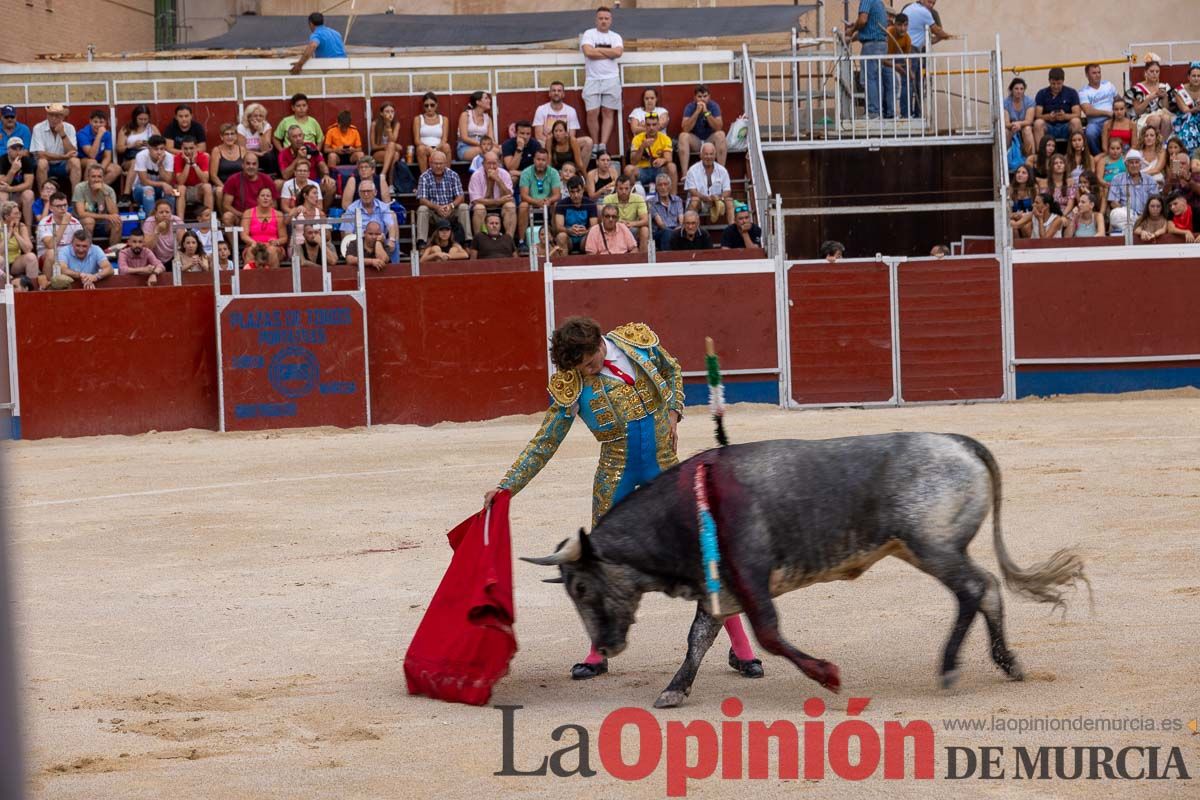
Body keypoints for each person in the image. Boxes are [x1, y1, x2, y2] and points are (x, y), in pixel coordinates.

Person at [485, 317, 763, 680]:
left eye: (591, 361)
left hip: (664, 469)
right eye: (582, 368)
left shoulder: (635, 343)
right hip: (615, 474)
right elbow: (544, 442)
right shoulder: (572, 383)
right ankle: (597, 652)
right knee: (601, 563)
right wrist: (508, 486)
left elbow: (672, 369)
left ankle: (741, 648)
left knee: (704, 552)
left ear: (601, 342)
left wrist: (675, 414)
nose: (590, 370)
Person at [580, 6, 624, 155]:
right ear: (596, 19)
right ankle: (595, 143)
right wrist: (608, 53)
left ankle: (603, 145)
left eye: (606, 18)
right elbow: (588, 52)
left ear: (610, 20)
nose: (603, 21)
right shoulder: (589, 34)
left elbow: (618, 52)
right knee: (592, 112)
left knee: (607, 111)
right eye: (601, 18)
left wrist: (597, 50)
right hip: (592, 79)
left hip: (611, 79)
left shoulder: (616, 36)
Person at [847, 0, 892, 120]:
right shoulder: (879, 3)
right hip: (880, 44)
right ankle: (878, 111)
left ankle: (873, 112)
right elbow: (868, 28)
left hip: (872, 46)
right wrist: (852, 35)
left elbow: (862, 20)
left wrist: (851, 30)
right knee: (876, 79)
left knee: (869, 79)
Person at [416, 150, 469, 250]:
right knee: (422, 209)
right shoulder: (424, 177)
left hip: (451, 210)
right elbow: (422, 199)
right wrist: (437, 207)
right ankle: (421, 242)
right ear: (430, 163)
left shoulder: (453, 175)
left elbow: (460, 196)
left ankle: (467, 241)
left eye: (441, 163)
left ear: (445, 163)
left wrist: (451, 206)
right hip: (433, 212)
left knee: (464, 207)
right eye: (436, 163)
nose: (438, 166)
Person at [533, 81, 594, 157]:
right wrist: (551, 143)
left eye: (559, 91)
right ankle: (547, 167)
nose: (556, 93)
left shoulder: (571, 110)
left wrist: (561, 143)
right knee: (538, 143)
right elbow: (538, 135)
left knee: (588, 141)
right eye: (553, 90)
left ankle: (579, 168)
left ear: (563, 94)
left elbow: (572, 136)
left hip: (566, 144)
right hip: (547, 143)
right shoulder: (541, 109)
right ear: (549, 93)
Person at [518, 148, 562, 251]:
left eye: (543, 160)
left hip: (548, 203)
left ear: (547, 161)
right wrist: (537, 202)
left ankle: (554, 239)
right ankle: (521, 241)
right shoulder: (526, 172)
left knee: (556, 204)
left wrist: (549, 201)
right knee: (522, 205)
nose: (541, 162)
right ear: (534, 159)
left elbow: (557, 194)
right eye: (538, 159)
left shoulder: (554, 172)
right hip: (531, 203)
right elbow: (523, 195)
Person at [30, 103, 80, 192]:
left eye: (57, 116)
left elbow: (73, 153)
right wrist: (64, 157)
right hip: (47, 164)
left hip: (63, 165)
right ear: (47, 115)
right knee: (42, 163)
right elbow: (40, 154)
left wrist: (62, 134)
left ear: (63, 117)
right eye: (51, 115)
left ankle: (76, 200)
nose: (53, 118)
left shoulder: (69, 128)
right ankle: (44, 198)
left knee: (75, 162)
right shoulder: (38, 128)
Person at [341, 181, 399, 256]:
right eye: (363, 192)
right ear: (359, 194)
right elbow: (348, 234)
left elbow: (390, 226)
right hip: (360, 242)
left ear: (375, 192)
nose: (366, 194)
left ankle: (394, 266)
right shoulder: (351, 209)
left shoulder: (383, 207)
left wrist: (392, 240)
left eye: (369, 191)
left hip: (379, 240)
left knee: (392, 241)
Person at [1126, 54, 1174, 144]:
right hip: (1143, 117)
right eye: (1152, 71)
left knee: (1167, 118)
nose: (1154, 74)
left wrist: (1164, 97)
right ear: (1146, 73)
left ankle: (1162, 145)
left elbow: (1166, 109)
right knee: (1155, 119)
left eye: (1157, 71)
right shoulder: (1137, 89)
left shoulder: (1164, 87)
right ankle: (1151, 144)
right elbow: (1138, 111)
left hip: (1162, 114)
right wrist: (1149, 98)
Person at [679, 84, 726, 173]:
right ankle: (685, 175)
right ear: (695, 98)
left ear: (709, 97)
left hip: (710, 140)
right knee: (683, 136)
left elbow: (719, 127)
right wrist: (697, 112)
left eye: (705, 96)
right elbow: (685, 128)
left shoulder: (714, 106)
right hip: (695, 141)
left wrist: (706, 113)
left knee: (721, 135)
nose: (702, 99)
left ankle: (721, 173)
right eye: (699, 96)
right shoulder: (690, 107)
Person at [221, 153, 277, 228]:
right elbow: (226, 205)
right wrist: (242, 215)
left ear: (258, 166)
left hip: (262, 216)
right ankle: (233, 240)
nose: (251, 166)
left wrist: (260, 216)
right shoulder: (233, 179)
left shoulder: (267, 180)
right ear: (242, 165)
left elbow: (274, 204)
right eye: (248, 163)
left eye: (254, 164)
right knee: (227, 217)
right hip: (240, 216)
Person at [72, 163, 122, 247]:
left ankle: (113, 252)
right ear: (88, 177)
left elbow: (114, 213)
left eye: (99, 177)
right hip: (82, 223)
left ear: (103, 178)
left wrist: (105, 193)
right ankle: (87, 250)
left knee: (117, 222)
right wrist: (106, 216)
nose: (96, 179)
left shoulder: (109, 190)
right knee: (89, 221)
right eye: (93, 176)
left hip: (102, 223)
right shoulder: (80, 188)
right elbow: (81, 213)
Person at [468, 151, 516, 238]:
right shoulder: (476, 175)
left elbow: (509, 196)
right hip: (484, 206)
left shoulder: (504, 174)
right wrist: (496, 200)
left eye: (494, 163)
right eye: (488, 163)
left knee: (510, 206)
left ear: (498, 163)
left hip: (501, 206)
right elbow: (476, 200)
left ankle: (509, 241)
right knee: (479, 208)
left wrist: (498, 180)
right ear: (483, 164)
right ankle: (479, 241)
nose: (491, 167)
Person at [684, 142, 734, 225]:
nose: (709, 157)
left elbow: (727, 191)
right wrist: (705, 198)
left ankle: (732, 229)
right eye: (706, 154)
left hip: (717, 201)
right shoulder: (692, 170)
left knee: (729, 201)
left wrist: (718, 197)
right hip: (700, 201)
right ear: (700, 155)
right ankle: (692, 229)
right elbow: (692, 191)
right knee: (694, 200)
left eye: (711, 154)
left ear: (715, 155)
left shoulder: (722, 170)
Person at [1107, 148, 1156, 230]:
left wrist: (1143, 216)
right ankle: (1135, 226)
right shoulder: (1117, 179)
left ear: (1140, 165)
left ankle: (1137, 227)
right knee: (1115, 213)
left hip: (1145, 217)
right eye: (1131, 163)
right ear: (1126, 165)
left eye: (1137, 162)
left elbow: (1155, 201)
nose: (1134, 165)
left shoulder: (1149, 179)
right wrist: (1130, 215)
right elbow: (1113, 202)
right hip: (1125, 217)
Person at [1033, 68, 1082, 147]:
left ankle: (1076, 152)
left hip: (1066, 125)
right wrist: (1048, 117)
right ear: (1049, 81)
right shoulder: (1042, 93)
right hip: (1049, 126)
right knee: (1038, 123)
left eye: (1059, 84)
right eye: (1053, 83)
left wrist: (1065, 116)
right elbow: (1037, 115)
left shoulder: (1071, 92)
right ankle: (1041, 154)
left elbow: (1077, 114)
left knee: (1076, 121)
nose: (1056, 86)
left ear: (1063, 81)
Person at [35, 191, 82, 274]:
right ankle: (49, 282)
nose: (63, 208)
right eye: (59, 206)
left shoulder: (75, 222)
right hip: (47, 259)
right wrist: (64, 224)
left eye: (65, 205)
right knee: (52, 252)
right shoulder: (44, 223)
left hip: (68, 256)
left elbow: (81, 242)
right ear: (51, 208)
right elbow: (51, 245)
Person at [627, 113, 675, 193]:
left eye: (654, 124)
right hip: (642, 171)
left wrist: (663, 160)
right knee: (628, 169)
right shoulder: (637, 139)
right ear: (645, 126)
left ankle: (674, 199)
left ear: (658, 125)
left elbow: (669, 158)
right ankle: (632, 199)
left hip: (658, 170)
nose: (651, 128)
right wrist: (642, 147)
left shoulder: (665, 138)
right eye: (648, 125)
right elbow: (633, 162)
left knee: (672, 167)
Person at [601, 174, 649, 252]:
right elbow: (603, 220)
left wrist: (631, 223)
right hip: (614, 228)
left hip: (632, 228)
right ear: (616, 188)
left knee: (645, 230)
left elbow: (646, 220)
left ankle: (643, 259)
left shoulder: (638, 198)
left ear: (631, 188)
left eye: (626, 188)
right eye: (621, 188)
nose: (624, 191)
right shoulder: (608, 199)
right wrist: (619, 224)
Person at [132, 134, 176, 219]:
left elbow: (168, 180)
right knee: (149, 190)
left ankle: (169, 222)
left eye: (162, 149)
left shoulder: (169, 157)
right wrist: (163, 184)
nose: (159, 152)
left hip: (159, 190)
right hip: (140, 190)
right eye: (156, 149)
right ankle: (151, 223)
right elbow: (144, 181)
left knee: (171, 192)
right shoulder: (141, 156)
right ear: (149, 148)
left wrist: (160, 166)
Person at [1078, 64, 1118, 156]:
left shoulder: (1108, 85)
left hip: (1113, 120)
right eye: (1094, 73)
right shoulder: (1083, 92)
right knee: (1090, 132)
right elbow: (1088, 111)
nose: (1097, 75)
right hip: (1095, 124)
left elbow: (1118, 99)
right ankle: (1100, 156)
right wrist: (1107, 113)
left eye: (1099, 72)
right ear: (1087, 75)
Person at [240, 186, 286, 268]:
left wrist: (276, 242)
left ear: (272, 200)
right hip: (254, 245)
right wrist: (254, 243)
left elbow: (284, 237)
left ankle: (274, 279)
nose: (265, 198)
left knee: (271, 251)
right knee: (251, 250)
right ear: (257, 199)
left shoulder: (278, 214)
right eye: (263, 196)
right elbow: (244, 235)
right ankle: (248, 280)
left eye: (268, 196)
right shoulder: (248, 213)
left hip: (273, 247)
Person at [76, 109, 122, 187]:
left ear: (105, 123)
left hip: (99, 161)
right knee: (92, 162)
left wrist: (101, 170)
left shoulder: (107, 134)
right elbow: (92, 155)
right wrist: (99, 135)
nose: (98, 125)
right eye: (95, 122)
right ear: (90, 121)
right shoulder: (82, 133)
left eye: (101, 122)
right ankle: (86, 192)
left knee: (116, 169)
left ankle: (97, 190)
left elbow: (107, 157)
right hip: (83, 160)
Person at [1, 201, 41, 290]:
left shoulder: (21, 226)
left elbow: (28, 249)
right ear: (7, 216)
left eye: (19, 213)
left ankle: (33, 291)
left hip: (14, 262)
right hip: (1, 262)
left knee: (31, 257)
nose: (19, 216)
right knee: (1, 259)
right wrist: (9, 232)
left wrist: (15, 233)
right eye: (15, 214)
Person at [554, 176, 597, 255]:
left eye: (578, 191)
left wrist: (585, 231)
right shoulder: (561, 204)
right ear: (568, 192)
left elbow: (594, 227)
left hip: (584, 238)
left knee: (592, 236)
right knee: (561, 236)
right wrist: (569, 230)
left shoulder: (590, 204)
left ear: (583, 190)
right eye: (572, 192)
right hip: (568, 238)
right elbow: (558, 227)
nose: (576, 195)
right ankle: (563, 265)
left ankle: (591, 265)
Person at [172, 136, 213, 220]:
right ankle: (180, 222)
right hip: (179, 190)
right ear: (181, 148)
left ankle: (209, 220)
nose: (188, 151)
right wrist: (187, 163)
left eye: (191, 148)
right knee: (180, 188)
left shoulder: (203, 157)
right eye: (185, 149)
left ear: (196, 148)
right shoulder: (177, 157)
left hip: (197, 188)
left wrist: (194, 164)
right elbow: (180, 182)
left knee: (208, 187)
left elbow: (205, 180)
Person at [210, 124, 246, 211]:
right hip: (222, 184)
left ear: (236, 136)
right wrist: (226, 188)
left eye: (232, 134)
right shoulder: (216, 150)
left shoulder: (242, 150)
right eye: (226, 134)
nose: (230, 137)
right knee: (219, 191)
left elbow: (246, 171)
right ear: (221, 137)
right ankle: (223, 218)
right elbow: (213, 175)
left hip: (239, 183)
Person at [413, 92, 452, 174]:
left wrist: (436, 149)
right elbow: (417, 140)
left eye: (432, 105)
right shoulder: (418, 119)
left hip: (439, 146)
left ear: (436, 105)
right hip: (425, 147)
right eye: (426, 105)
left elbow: (444, 139)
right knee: (420, 149)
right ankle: (424, 177)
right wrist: (429, 148)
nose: (429, 108)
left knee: (446, 146)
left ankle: (447, 176)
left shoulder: (444, 119)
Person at [0, 139, 35, 228]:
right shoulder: (2, 160)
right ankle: (3, 230)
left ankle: (28, 231)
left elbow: (29, 184)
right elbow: (2, 184)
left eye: (20, 148)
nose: (18, 151)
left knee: (29, 194)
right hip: (6, 193)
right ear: (8, 150)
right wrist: (13, 170)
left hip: (19, 194)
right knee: (2, 195)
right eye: (15, 148)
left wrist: (11, 189)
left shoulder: (26, 160)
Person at [646, 172, 682, 252]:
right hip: (660, 232)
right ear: (656, 187)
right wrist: (673, 232)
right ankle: (667, 259)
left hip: (676, 229)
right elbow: (661, 224)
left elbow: (681, 220)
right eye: (660, 185)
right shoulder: (651, 202)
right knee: (667, 233)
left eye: (665, 184)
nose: (663, 187)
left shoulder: (677, 200)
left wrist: (679, 229)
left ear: (670, 186)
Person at [237, 103, 277, 175]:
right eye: (255, 116)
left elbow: (266, 149)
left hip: (262, 154)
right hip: (246, 154)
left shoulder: (266, 126)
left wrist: (260, 131)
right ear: (248, 117)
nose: (258, 118)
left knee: (269, 155)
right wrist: (256, 153)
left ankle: (271, 176)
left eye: (261, 116)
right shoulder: (242, 127)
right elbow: (241, 149)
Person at [142, 198, 183, 266]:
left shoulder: (177, 221)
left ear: (171, 213)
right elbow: (147, 247)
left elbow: (183, 243)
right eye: (161, 212)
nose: (164, 215)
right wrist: (157, 230)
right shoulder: (149, 222)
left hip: (173, 257)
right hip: (154, 258)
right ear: (156, 214)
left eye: (167, 212)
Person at [456, 91, 494, 164]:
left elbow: (491, 139)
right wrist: (482, 145)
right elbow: (464, 137)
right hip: (465, 147)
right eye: (486, 98)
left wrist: (497, 146)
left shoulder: (488, 118)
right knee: (486, 152)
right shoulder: (465, 115)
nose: (489, 100)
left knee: (499, 150)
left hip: (485, 146)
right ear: (478, 102)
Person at [1003, 78, 1037, 157]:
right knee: (1005, 132)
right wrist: (1014, 125)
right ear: (1011, 90)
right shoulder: (1005, 103)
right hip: (1012, 128)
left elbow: (1029, 121)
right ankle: (1006, 158)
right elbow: (1006, 123)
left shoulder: (1029, 101)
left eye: (1021, 89)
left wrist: (1019, 124)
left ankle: (1031, 158)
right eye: (1016, 89)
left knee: (1027, 129)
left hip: (1025, 126)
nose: (1019, 91)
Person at [1171, 62, 1200, 152]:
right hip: (1186, 118)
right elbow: (1185, 109)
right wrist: (1196, 109)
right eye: (1194, 76)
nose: (1196, 78)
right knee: (1189, 130)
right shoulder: (1179, 90)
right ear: (1188, 77)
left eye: (1199, 76)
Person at [370, 102, 401, 185]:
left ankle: (383, 177)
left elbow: (393, 139)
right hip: (377, 153)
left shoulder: (396, 124)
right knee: (392, 149)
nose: (390, 114)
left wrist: (388, 126)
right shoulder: (375, 124)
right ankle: (389, 183)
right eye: (387, 111)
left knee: (395, 155)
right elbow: (373, 147)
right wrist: (387, 147)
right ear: (381, 113)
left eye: (392, 111)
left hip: (390, 153)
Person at [501, 120, 538, 185]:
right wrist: (519, 148)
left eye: (528, 134)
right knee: (513, 179)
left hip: (531, 175)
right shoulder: (507, 144)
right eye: (522, 133)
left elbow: (539, 167)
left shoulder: (536, 145)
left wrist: (519, 173)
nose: (525, 137)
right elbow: (511, 168)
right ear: (516, 133)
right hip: (514, 175)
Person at [288, 183, 323, 249]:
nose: (317, 196)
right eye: (314, 193)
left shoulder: (320, 213)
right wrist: (296, 212)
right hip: (298, 244)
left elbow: (327, 234)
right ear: (305, 195)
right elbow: (286, 222)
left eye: (317, 193)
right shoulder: (296, 210)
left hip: (314, 244)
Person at [1008, 164, 1036, 234]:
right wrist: (1014, 215)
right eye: (1018, 172)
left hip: (1030, 218)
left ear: (1029, 175)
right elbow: (1007, 211)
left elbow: (1037, 209)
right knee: (1011, 225)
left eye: (1024, 173)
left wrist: (1025, 216)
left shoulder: (1034, 189)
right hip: (1015, 217)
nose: (1020, 175)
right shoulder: (1010, 190)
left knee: (1026, 227)